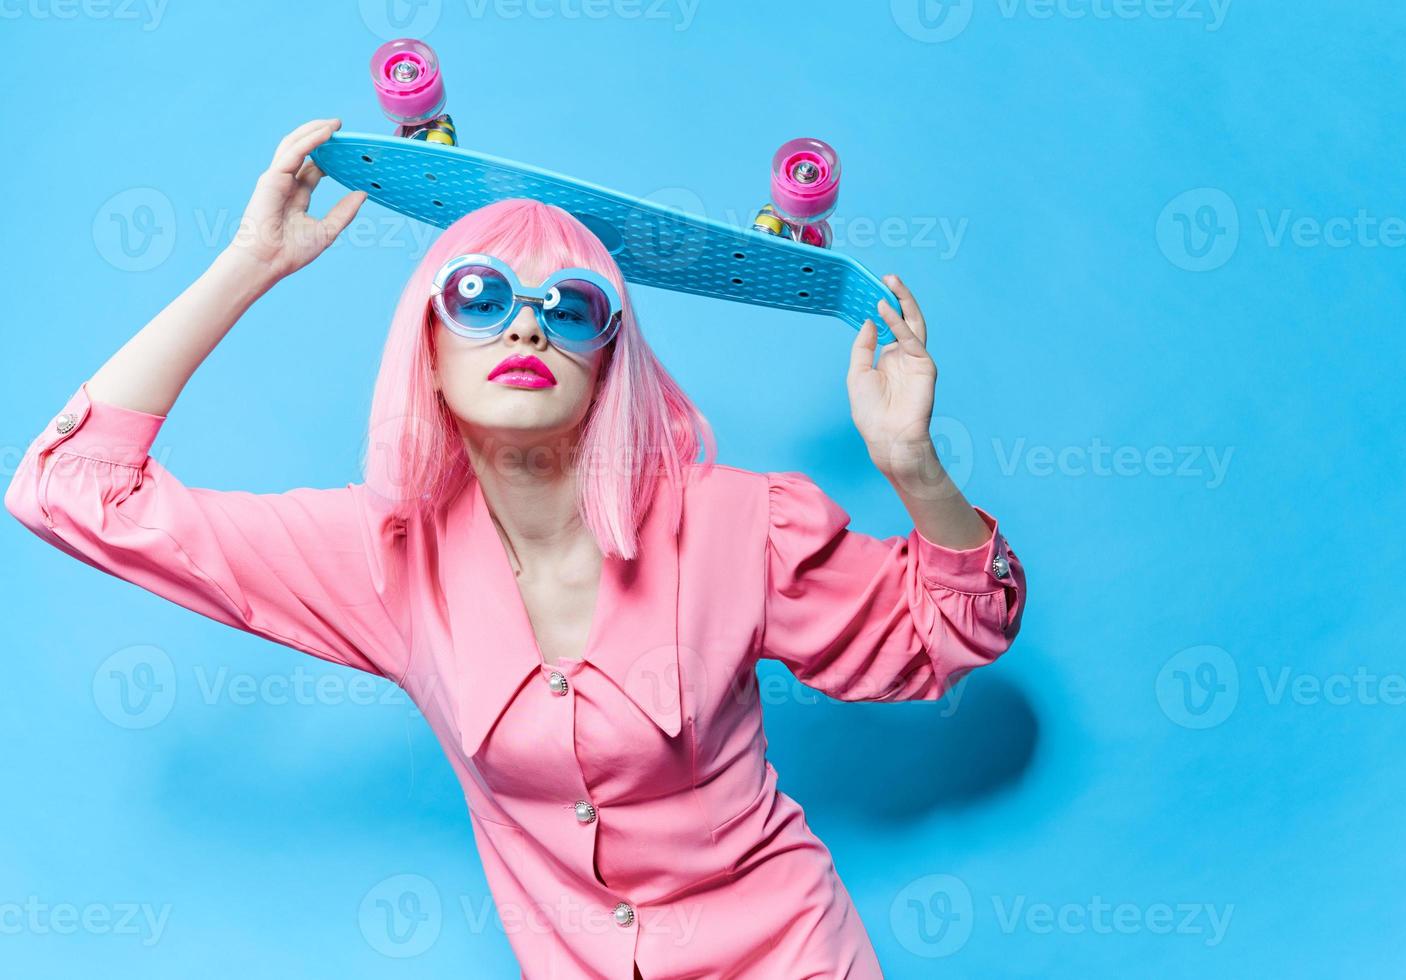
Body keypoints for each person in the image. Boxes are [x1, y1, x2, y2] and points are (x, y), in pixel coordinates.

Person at [6, 118, 1027, 978]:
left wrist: (912, 465)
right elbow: (71, 489)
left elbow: (949, 632)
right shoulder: (382, 558)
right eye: (482, 297)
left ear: (608, 360)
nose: (527, 329)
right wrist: (251, 263)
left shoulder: (736, 522)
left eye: (571, 307)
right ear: (429, 351)